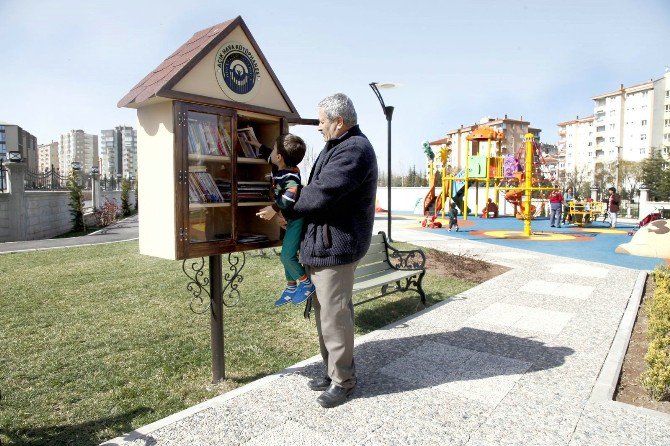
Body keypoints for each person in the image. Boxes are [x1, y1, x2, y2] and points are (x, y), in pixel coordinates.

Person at [281, 93, 378, 409]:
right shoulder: (339, 146)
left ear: (339, 122)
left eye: (322, 121)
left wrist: (283, 204)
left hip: (336, 244)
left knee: (334, 316)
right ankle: (331, 369)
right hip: (324, 244)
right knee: (325, 313)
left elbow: (323, 193)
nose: (319, 127)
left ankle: (343, 381)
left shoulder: (355, 150)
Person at [255, 134, 315, 307]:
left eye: (274, 149)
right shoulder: (283, 168)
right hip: (291, 219)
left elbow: (290, 196)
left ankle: (305, 283)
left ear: (280, 157)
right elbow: (270, 156)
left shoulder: (289, 176)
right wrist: (256, 143)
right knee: (286, 254)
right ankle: (291, 287)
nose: (272, 152)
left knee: (287, 257)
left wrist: (274, 209)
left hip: (296, 220)